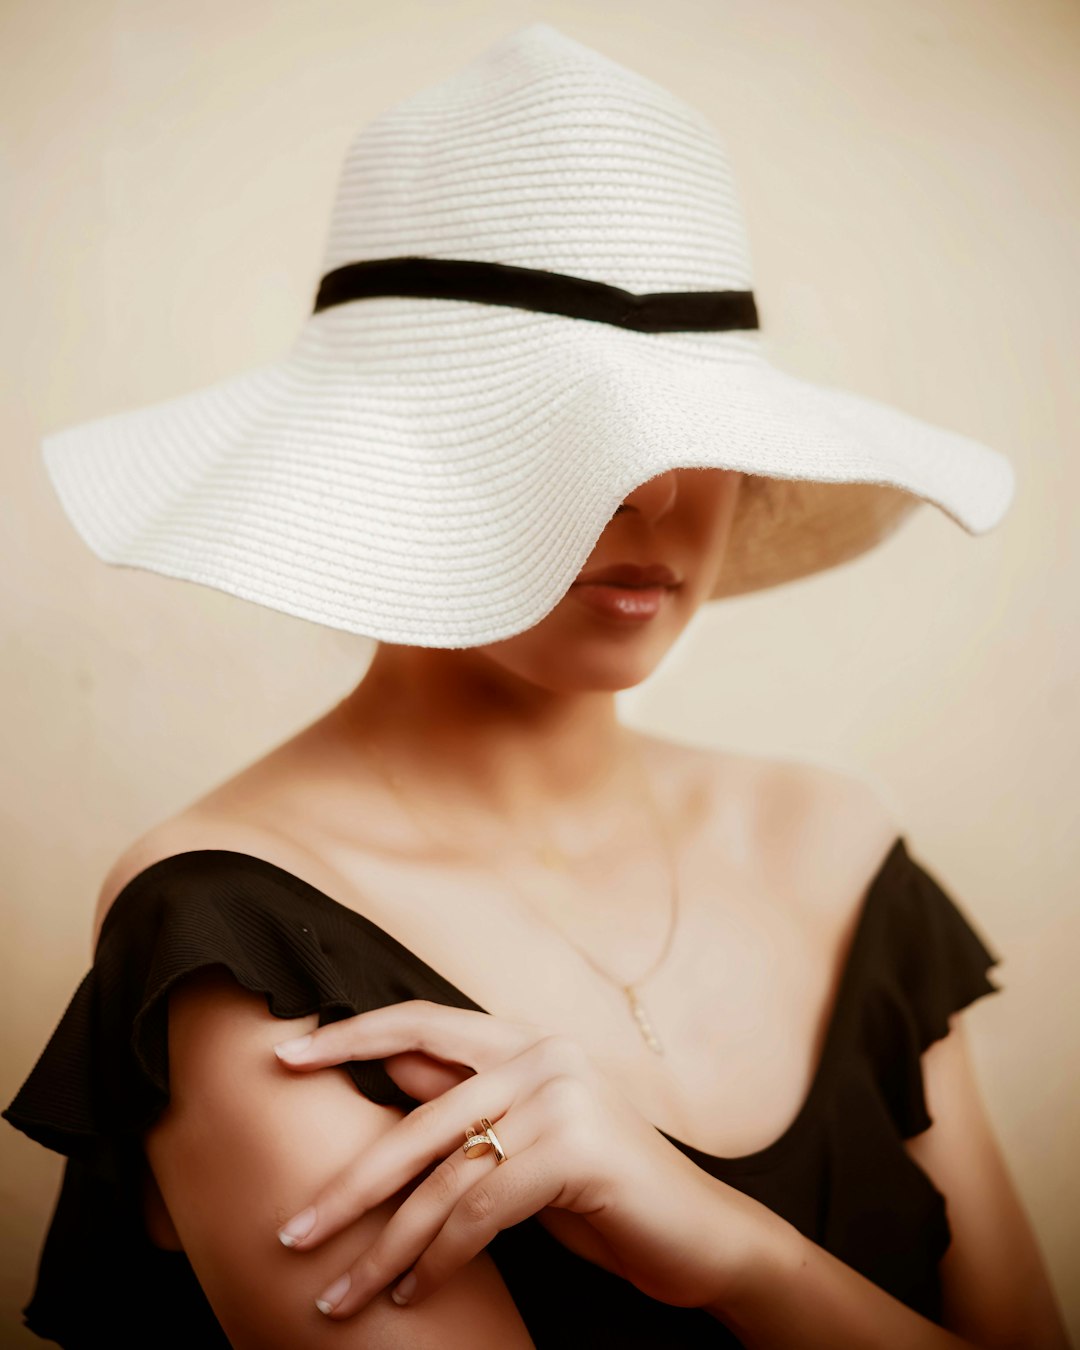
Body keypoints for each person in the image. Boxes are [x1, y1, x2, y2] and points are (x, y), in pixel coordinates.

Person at [4, 21, 1070, 1350]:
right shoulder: (232, 930)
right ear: (383, 459)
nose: (657, 491)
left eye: (695, 422)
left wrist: (745, 1256)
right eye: (560, 427)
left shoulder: (838, 849)